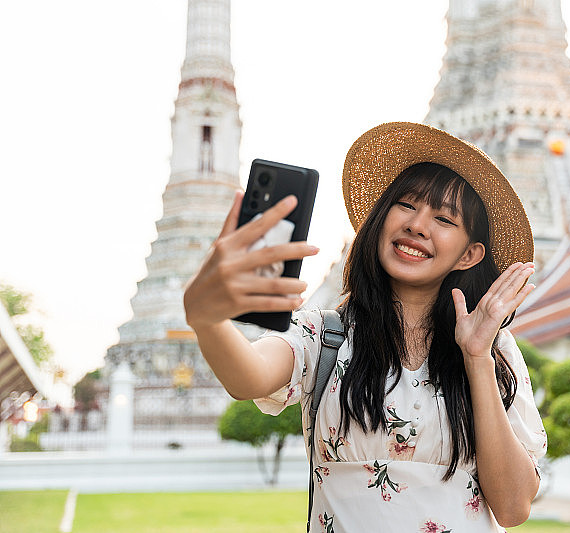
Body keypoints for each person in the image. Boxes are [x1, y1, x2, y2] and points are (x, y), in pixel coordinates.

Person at [184, 122, 547, 532]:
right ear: (381, 218)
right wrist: (206, 320)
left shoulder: (494, 349)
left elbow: (513, 507)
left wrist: (477, 358)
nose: (418, 225)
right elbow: (248, 376)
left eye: (445, 219)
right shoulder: (325, 336)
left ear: (469, 255)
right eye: (406, 205)